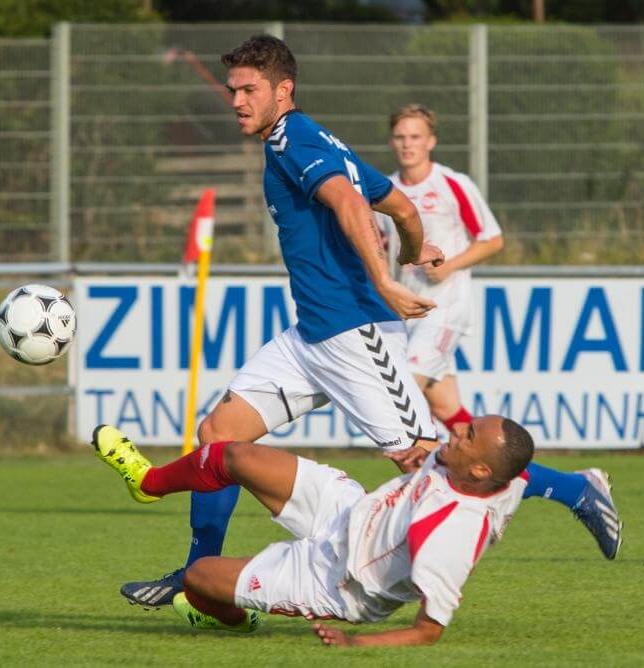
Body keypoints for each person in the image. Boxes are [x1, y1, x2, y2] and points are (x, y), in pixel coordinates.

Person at [119, 34, 448, 610]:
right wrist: (411, 251)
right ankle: (201, 581)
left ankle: (571, 489)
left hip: (355, 331)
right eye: (233, 91)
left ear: (283, 90)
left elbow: (350, 203)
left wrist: (386, 282)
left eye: (249, 90)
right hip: (310, 337)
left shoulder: (296, 139)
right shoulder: (311, 138)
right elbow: (400, 207)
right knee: (219, 435)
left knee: (423, 459)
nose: (237, 101)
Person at [378, 104, 623, 560]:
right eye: (400, 137)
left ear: (431, 141)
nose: (408, 144)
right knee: (449, 414)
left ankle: (425, 501)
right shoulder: (386, 191)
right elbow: (384, 248)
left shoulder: (452, 185)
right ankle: (574, 487)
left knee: (401, 394)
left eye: (416, 136)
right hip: (407, 316)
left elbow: (493, 239)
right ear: (392, 141)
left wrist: (448, 265)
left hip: (445, 311)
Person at [92, 415, 535, 646]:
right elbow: (525, 473)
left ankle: (231, 618)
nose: (456, 429)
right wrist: (583, 485)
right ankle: (148, 482)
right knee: (234, 455)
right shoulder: (486, 470)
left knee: (198, 578)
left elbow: (428, 630)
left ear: (478, 469)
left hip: (338, 582)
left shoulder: (450, 538)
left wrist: (354, 646)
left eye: (469, 434)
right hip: (348, 510)